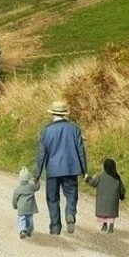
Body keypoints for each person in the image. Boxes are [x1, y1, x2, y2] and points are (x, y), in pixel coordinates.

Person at [33, 100, 88, 235]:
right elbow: (81, 151)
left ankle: (55, 228)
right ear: (64, 114)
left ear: (53, 114)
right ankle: (70, 213)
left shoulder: (46, 130)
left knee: (52, 199)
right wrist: (84, 171)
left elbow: (42, 154)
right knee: (71, 195)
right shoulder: (74, 129)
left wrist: (37, 175)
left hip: (52, 170)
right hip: (70, 169)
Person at [86, 157, 126, 232]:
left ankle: (104, 225)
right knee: (111, 213)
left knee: (104, 211)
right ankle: (111, 228)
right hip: (112, 204)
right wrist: (122, 196)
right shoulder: (117, 178)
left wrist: (88, 178)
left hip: (102, 202)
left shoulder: (100, 176)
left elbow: (93, 183)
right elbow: (122, 190)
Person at [11, 167, 39, 239]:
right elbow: (37, 187)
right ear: (28, 178)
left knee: (22, 219)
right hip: (30, 208)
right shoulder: (31, 186)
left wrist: (15, 206)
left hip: (21, 208)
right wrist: (37, 181)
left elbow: (14, 199)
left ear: (20, 179)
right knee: (30, 219)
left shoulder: (18, 189)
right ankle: (29, 231)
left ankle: (22, 230)